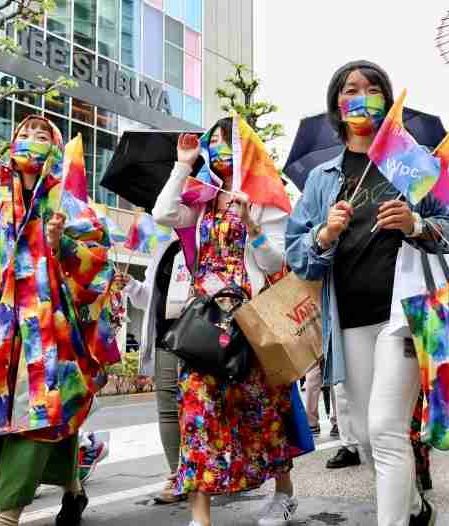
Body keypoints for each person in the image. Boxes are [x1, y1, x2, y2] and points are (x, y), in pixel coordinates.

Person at [286, 59, 449, 526]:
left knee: (387, 430)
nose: (361, 95)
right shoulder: (321, 180)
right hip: (348, 320)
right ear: (337, 104)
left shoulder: (409, 164)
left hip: (404, 316)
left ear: (387, 103)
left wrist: (417, 224)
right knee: (367, 438)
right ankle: (412, 506)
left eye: (372, 88)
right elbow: (296, 254)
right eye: (351, 89)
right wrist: (323, 236)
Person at [0, 115, 119, 526]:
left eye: (43, 136)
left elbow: (100, 267)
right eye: (24, 134)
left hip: (53, 333)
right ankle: (73, 491)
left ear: (56, 151)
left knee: (33, 412)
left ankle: (9, 515)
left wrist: (64, 244)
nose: (31, 141)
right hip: (5, 332)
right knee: (46, 415)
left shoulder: (71, 208)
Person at [153, 118, 299, 526]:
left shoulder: (266, 197)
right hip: (203, 318)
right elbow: (163, 213)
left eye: (226, 140)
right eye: (212, 142)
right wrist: (183, 164)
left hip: (251, 319)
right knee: (197, 409)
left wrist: (252, 226)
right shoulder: (199, 198)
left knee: (261, 409)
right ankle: (201, 518)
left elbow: (274, 263)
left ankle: (284, 494)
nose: (218, 148)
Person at [114, 235, 186, 503]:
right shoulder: (164, 245)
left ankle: (213, 470)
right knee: (167, 406)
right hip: (166, 337)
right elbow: (149, 298)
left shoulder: (207, 233)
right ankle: (176, 474)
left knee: (205, 405)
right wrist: (131, 286)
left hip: (202, 335)